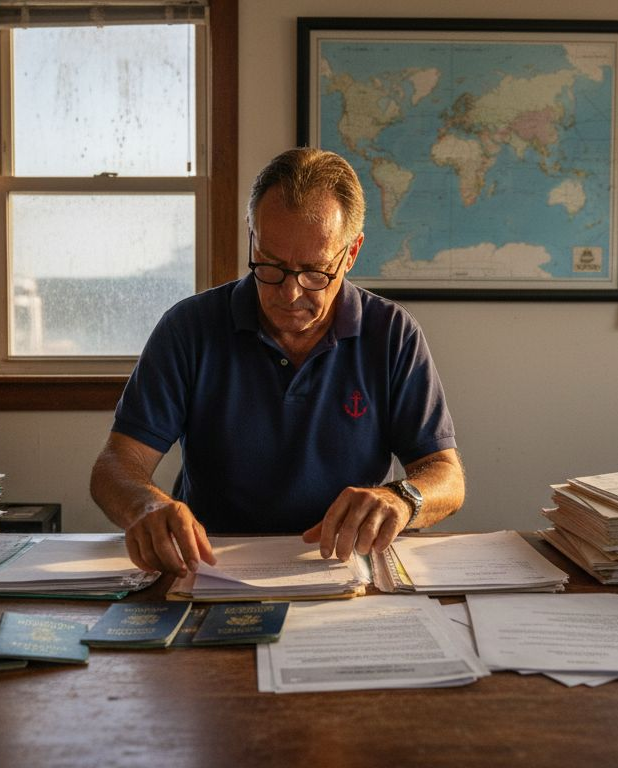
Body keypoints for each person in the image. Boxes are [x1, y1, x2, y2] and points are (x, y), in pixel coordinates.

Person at [90, 147, 464, 576]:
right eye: (270, 265)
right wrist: (147, 505)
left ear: (352, 253)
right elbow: (115, 466)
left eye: (314, 272)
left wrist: (402, 497)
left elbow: (446, 477)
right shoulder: (189, 328)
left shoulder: (392, 334)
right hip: (211, 567)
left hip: (343, 569)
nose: (289, 294)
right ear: (253, 235)